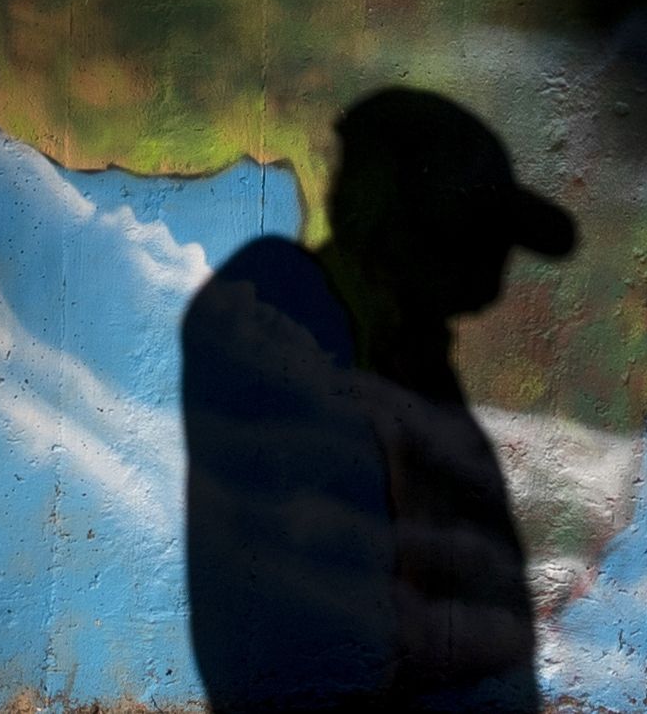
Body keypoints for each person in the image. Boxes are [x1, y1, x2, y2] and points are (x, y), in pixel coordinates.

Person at [181, 87, 578, 714]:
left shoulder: (413, 362)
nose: (494, 270)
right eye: (476, 233)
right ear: (403, 224)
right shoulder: (278, 311)